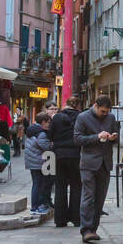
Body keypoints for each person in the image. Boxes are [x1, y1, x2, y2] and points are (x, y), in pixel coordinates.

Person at [74, 95, 120, 243]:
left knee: (100, 198)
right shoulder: (82, 117)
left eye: (107, 112)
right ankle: (86, 230)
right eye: (102, 111)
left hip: (105, 163)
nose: (105, 114)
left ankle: (93, 229)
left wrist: (114, 137)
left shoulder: (111, 118)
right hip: (88, 163)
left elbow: (116, 136)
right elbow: (77, 139)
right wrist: (96, 136)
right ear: (95, 106)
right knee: (88, 196)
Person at [48, 97, 81, 228]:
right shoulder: (80, 116)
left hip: (59, 155)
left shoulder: (56, 118)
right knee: (76, 186)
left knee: (60, 186)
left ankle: (60, 219)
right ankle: (76, 218)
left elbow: (50, 135)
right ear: (77, 105)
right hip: (76, 154)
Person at [24, 112, 54, 214]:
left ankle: (34, 206)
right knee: (39, 184)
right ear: (43, 122)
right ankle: (36, 206)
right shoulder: (41, 133)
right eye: (48, 122)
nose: (49, 124)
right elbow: (46, 147)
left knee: (36, 183)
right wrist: (51, 144)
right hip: (38, 161)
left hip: (32, 161)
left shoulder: (31, 130)